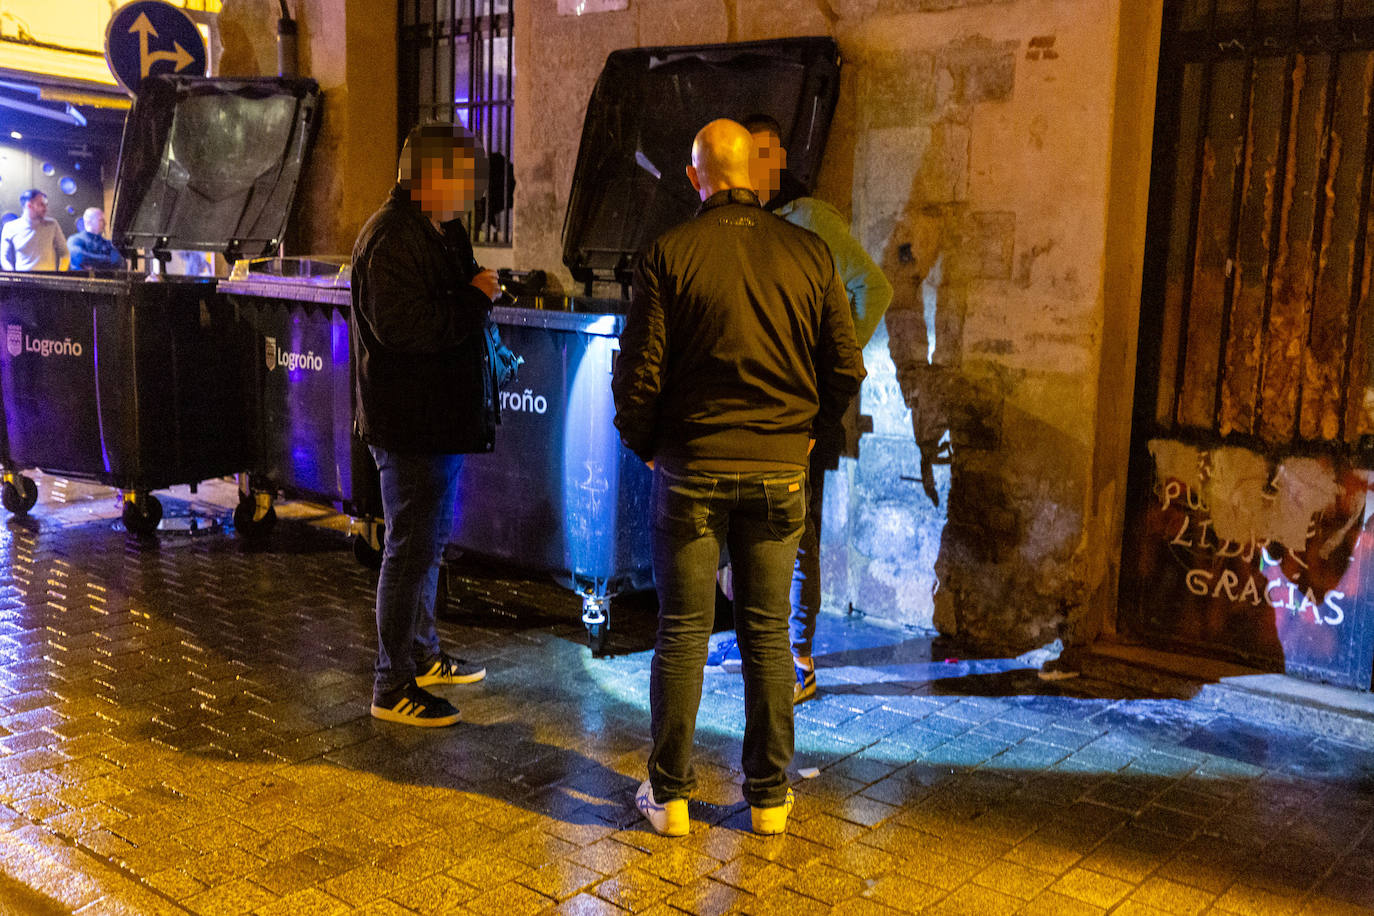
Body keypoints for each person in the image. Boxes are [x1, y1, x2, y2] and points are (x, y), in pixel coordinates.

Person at [613, 119, 865, 836]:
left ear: (698, 176)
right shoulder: (810, 253)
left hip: (691, 467)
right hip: (779, 472)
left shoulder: (669, 254)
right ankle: (769, 799)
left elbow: (639, 375)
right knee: (765, 636)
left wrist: (648, 446)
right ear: (753, 171)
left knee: (684, 632)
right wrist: (807, 436)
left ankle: (670, 797)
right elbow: (845, 366)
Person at [351, 123, 502, 727]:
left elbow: (457, 296)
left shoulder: (440, 229)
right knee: (408, 549)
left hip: (439, 418)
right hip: (408, 423)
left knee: (428, 543)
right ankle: (392, 684)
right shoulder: (390, 236)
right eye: (462, 178)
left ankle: (424, 655)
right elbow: (403, 327)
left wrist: (475, 292)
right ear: (429, 176)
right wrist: (473, 298)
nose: (471, 192)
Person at [745, 114, 894, 705]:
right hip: (763, 400)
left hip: (804, 403)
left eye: (765, 154)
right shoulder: (747, 223)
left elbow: (874, 288)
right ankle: (767, 641)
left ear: (780, 160)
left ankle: (799, 658)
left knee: (798, 527)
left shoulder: (810, 218)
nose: (756, 167)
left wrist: (831, 356)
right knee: (762, 523)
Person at [1, 189, 68, 271]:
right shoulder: (10, 227)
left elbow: (65, 253)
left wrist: (60, 274)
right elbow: (4, 258)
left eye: (45, 204)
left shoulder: (52, 225)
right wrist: (13, 276)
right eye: (41, 204)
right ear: (29, 205)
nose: (45, 208)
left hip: (48, 281)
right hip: (23, 281)